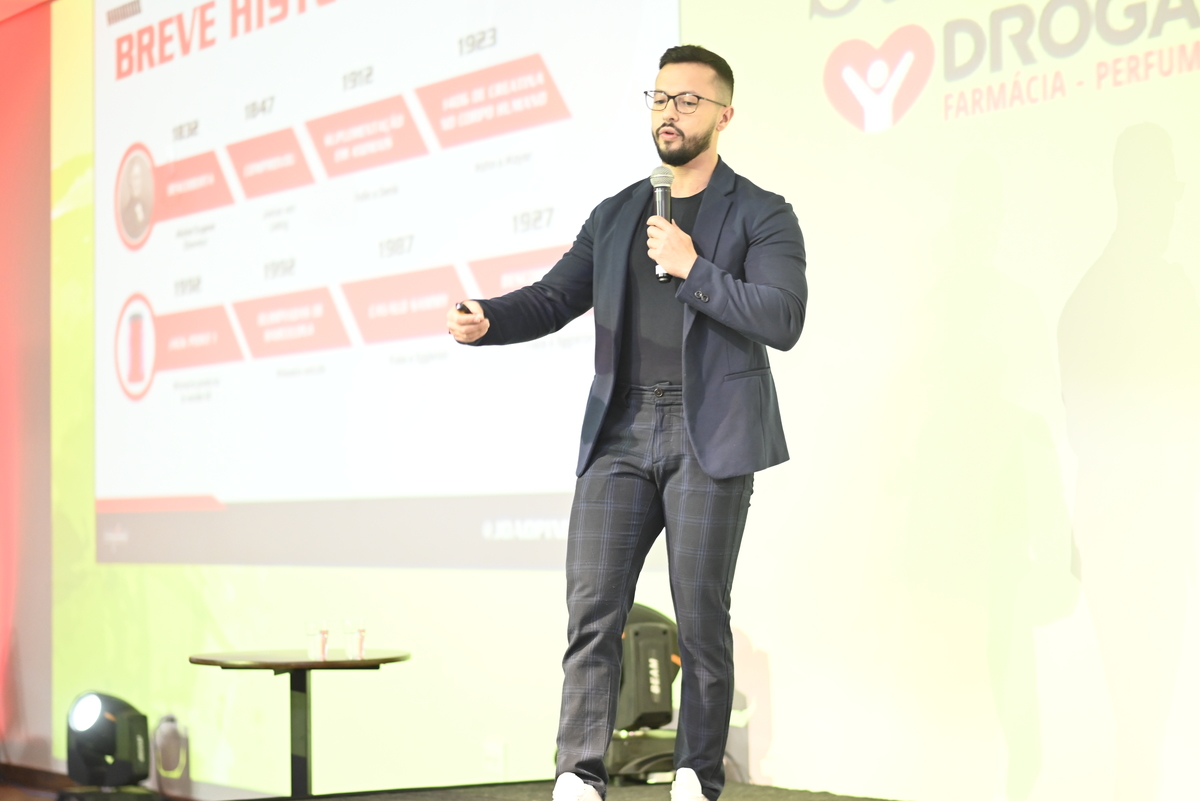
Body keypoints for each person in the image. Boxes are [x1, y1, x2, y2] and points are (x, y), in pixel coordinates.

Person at [446, 45, 807, 801]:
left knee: (700, 616)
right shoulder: (616, 215)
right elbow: (552, 298)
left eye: (687, 101)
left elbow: (782, 317)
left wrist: (693, 266)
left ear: (724, 115)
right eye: (660, 98)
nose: (669, 113)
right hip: (621, 428)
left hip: (709, 432)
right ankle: (579, 772)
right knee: (592, 610)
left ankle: (695, 774)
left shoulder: (763, 212)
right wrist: (489, 318)